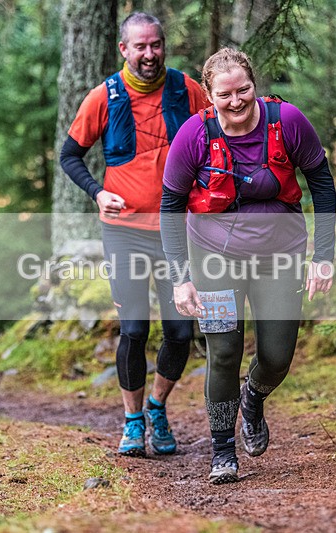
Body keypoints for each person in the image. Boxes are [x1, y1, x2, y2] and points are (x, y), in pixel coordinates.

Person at [159, 47, 336, 483]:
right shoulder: (193, 136)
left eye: (244, 90)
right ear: (209, 95)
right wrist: (181, 278)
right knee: (222, 353)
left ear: (254, 85)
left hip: (282, 255)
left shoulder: (287, 122)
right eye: (225, 94)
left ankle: (253, 398)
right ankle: (223, 451)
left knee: (276, 358)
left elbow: (322, 184)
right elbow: (169, 205)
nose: (236, 101)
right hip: (214, 259)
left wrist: (324, 257)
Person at [59, 12, 208, 457]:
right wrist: (97, 192)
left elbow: (215, 141)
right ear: (123, 49)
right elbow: (70, 156)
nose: (149, 54)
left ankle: (158, 408)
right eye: (139, 46)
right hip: (123, 232)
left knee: (181, 331)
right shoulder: (102, 96)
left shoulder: (188, 90)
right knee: (134, 329)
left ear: (164, 45)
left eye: (155, 45)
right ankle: (131, 421)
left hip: (175, 232)